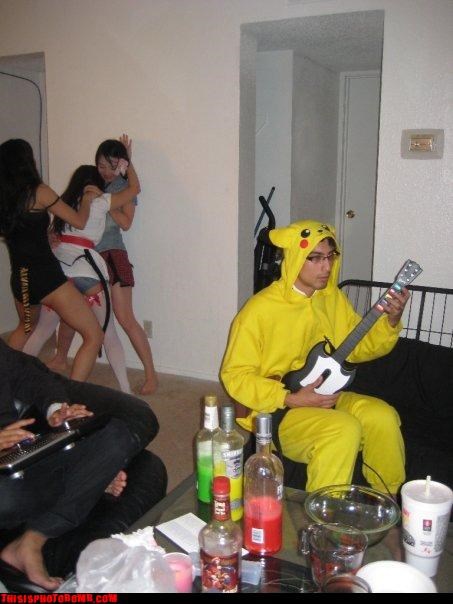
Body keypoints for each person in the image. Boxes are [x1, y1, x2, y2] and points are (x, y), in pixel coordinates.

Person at [220, 219, 410, 496]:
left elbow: (359, 347)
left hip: (326, 394)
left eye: (330, 256)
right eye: (316, 258)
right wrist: (288, 398)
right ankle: (324, 512)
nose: (327, 266)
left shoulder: (330, 298)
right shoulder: (258, 310)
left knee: (383, 417)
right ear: (295, 258)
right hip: (278, 409)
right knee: (343, 429)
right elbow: (234, 376)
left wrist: (391, 321)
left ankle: (387, 497)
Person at [0, 338, 166, 591]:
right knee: (8, 497)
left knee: (115, 437)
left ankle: (32, 539)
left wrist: (56, 409)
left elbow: (29, 373)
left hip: (19, 455)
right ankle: (87, 480)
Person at [48, 137, 158, 395]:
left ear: (121, 165)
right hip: (83, 259)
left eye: (111, 166)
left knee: (124, 318)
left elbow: (126, 223)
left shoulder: (121, 186)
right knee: (69, 312)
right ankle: (61, 358)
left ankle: (151, 375)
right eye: (101, 165)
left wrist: (105, 203)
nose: (106, 171)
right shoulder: (90, 183)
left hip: (112, 255)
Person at [22, 157, 141, 393]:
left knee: (42, 330)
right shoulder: (100, 200)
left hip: (58, 273)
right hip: (86, 271)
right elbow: (135, 189)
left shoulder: (64, 205)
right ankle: (125, 390)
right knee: (108, 333)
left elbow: (50, 235)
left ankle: (15, 381)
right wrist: (128, 162)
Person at [0, 139, 104, 382]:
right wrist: (87, 200)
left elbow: (19, 234)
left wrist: (43, 235)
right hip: (48, 279)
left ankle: (5, 389)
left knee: (25, 329)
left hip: (22, 280)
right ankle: (73, 398)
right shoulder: (39, 191)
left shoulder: (4, 200)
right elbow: (78, 221)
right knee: (93, 335)